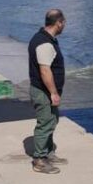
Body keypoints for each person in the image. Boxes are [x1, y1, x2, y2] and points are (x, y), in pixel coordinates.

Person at [28, 9, 68, 174]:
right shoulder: (44, 43)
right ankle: (39, 160)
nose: (64, 25)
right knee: (45, 123)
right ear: (58, 23)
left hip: (45, 90)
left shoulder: (45, 38)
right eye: (63, 22)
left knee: (52, 120)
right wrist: (53, 93)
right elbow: (45, 71)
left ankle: (49, 153)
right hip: (43, 91)